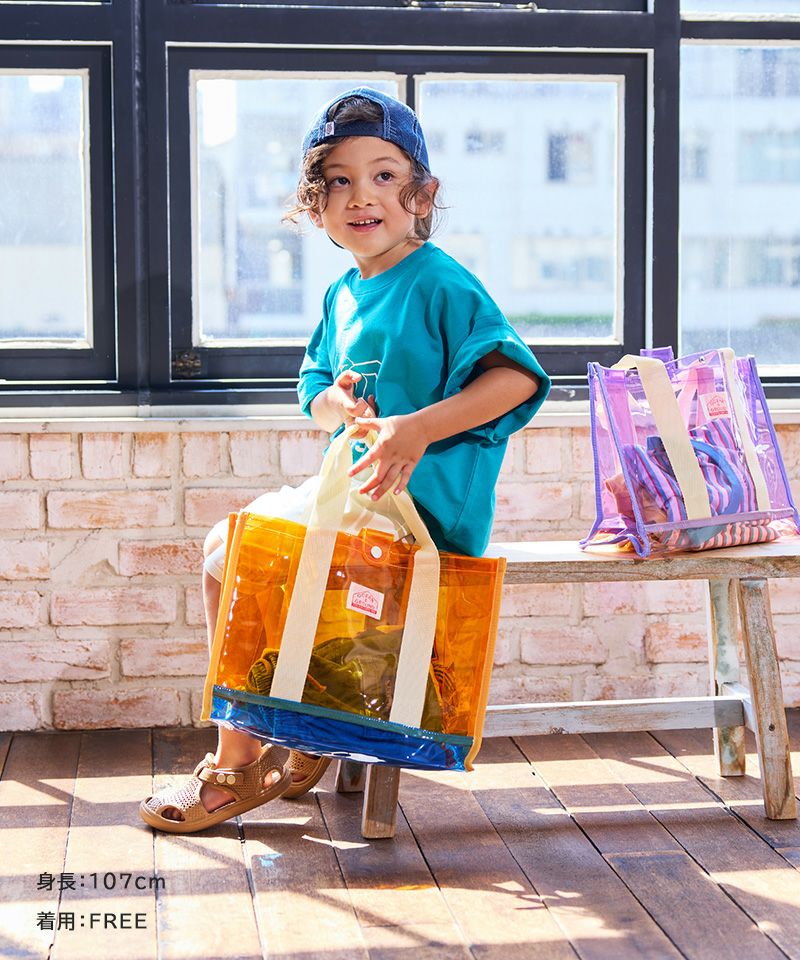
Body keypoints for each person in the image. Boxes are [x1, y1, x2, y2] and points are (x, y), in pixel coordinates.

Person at [139, 86, 551, 833]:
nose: (361, 195)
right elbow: (314, 389)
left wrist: (416, 429)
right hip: (358, 498)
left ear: (422, 195)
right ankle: (298, 731)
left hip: (422, 510)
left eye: (384, 176)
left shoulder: (441, 282)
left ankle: (238, 764)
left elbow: (516, 378)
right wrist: (336, 405)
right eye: (339, 180)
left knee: (247, 556)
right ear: (317, 203)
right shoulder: (342, 294)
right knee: (230, 554)